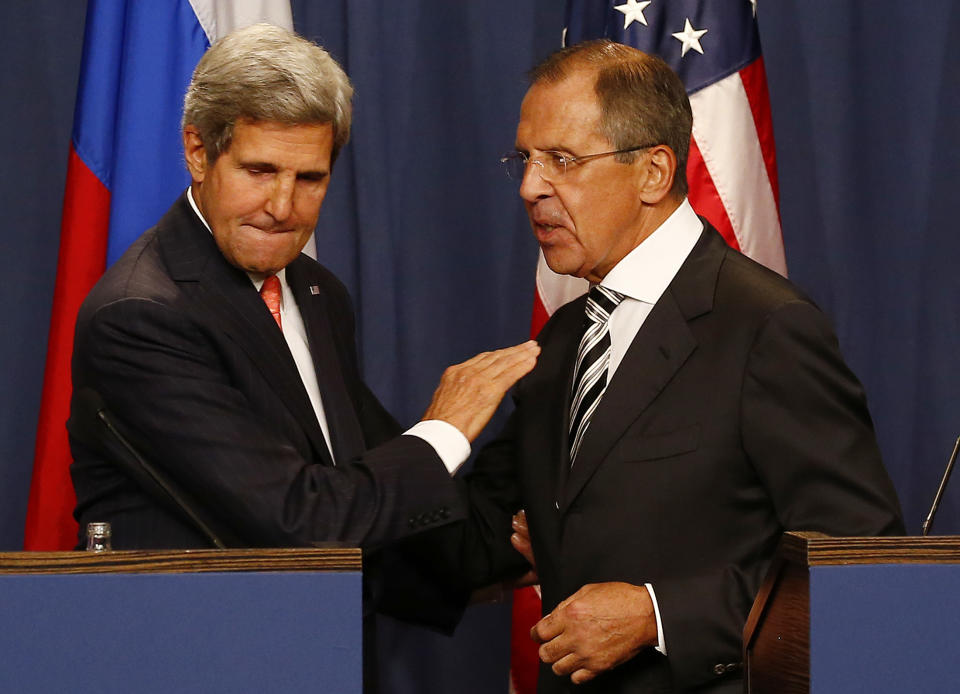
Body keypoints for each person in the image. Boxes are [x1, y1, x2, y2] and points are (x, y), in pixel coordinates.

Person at [431, 40, 904, 693]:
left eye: (561, 160)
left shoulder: (765, 327)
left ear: (654, 172)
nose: (531, 187)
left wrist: (658, 614)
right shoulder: (566, 338)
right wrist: (425, 447)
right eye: (526, 159)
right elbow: (479, 538)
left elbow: (862, 567)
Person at [67, 24, 538, 553]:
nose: (283, 207)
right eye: (260, 171)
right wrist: (445, 429)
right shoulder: (141, 315)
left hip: (318, 630)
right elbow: (301, 521)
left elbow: (363, 489)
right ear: (198, 152)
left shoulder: (316, 292)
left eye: (310, 178)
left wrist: (507, 553)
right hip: (195, 631)